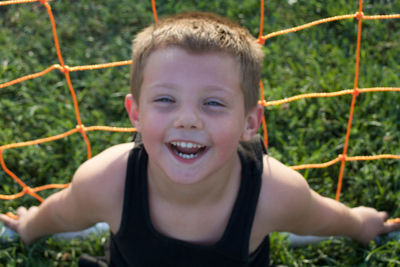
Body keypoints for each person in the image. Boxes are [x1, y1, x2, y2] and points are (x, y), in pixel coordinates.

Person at [0, 12, 399, 267]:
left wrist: (360, 224)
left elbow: (324, 216)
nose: (187, 119)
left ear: (250, 122)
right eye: (165, 100)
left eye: (212, 103)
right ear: (135, 113)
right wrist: (31, 225)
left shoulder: (273, 193)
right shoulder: (107, 180)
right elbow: (64, 212)